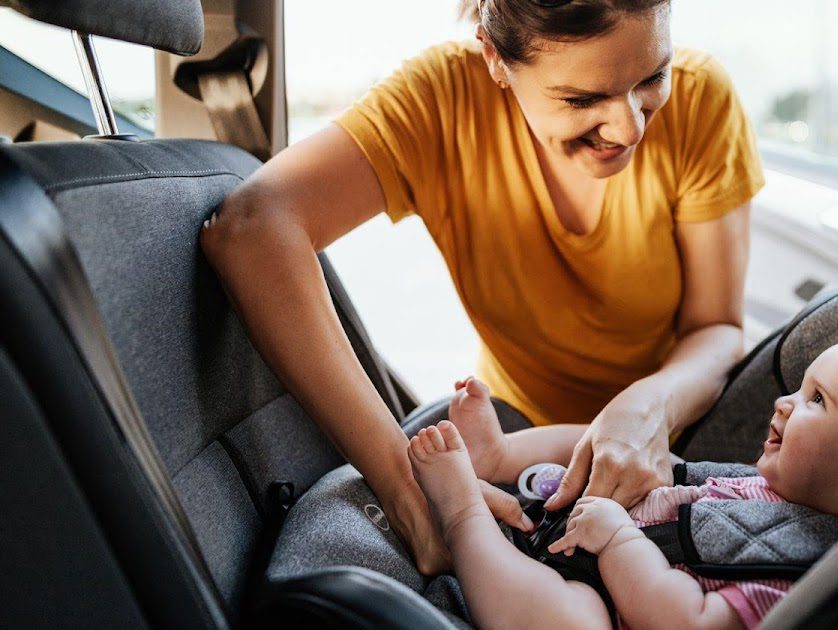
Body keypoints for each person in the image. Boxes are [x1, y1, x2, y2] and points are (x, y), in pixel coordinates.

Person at [200, 0, 762, 574]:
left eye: (652, 78)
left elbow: (715, 329)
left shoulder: (702, 98)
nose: (630, 127)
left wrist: (648, 407)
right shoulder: (442, 101)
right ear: (494, 58)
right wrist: (408, 494)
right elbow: (250, 229)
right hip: (518, 434)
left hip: (676, 433)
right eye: (580, 100)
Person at [408, 332, 838, 629]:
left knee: (572, 623)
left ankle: (461, 517)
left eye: (816, 401)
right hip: (589, 525)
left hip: (605, 600)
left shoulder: (802, 576)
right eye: (800, 387)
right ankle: (498, 456)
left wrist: (619, 540)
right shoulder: (770, 489)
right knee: (624, 444)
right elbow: (682, 491)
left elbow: (686, 621)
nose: (783, 402)